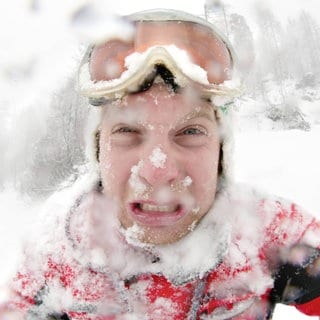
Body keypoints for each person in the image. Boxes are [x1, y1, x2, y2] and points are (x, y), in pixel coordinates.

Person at [1, 8, 320, 320]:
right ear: (99, 151)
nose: (158, 172)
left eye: (191, 132)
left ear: (221, 154)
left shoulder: (270, 230)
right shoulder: (56, 253)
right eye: (127, 131)